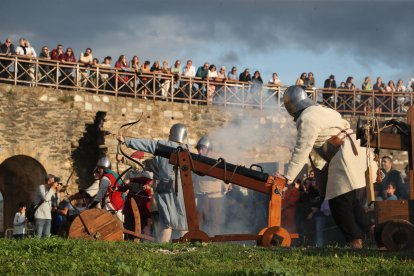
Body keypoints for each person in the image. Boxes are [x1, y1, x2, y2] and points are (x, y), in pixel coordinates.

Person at [283, 85, 376, 248]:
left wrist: (287, 177)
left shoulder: (307, 118)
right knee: (351, 202)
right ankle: (375, 233)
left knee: (338, 202)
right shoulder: (324, 110)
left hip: (343, 156)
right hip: (353, 152)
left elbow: (302, 149)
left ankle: (355, 242)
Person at [116, 123, 189, 242]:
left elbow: (149, 145)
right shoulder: (186, 151)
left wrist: (126, 141)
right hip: (174, 189)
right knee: (177, 220)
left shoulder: (167, 147)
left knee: (170, 221)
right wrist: (125, 159)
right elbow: (145, 165)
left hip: (171, 189)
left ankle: (171, 244)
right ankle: (176, 245)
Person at [193, 135, 227, 236]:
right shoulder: (196, 161)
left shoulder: (217, 161)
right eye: (199, 149)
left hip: (216, 197)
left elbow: (221, 176)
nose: (200, 152)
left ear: (208, 150)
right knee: (199, 222)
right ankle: (199, 242)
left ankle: (214, 244)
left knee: (215, 223)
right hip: (201, 196)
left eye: (203, 149)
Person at [117, 151, 153, 240]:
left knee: (142, 225)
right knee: (129, 225)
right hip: (130, 202)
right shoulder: (130, 172)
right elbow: (124, 187)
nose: (132, 163)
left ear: (140, 160)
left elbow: (149, 181)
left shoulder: (147, 172)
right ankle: (128, 240)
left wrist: (145, 186)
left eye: (134, 160)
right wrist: (118, 188)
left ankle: (141, 242)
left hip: (142, 203)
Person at [88, 156, 125, 222]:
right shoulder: (114, 175)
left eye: (100, 168)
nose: (98, 170)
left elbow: (99, 196)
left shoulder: (106, 178)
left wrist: (89, 207)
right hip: (121, 206)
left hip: (113, 207)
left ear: (104, 168)